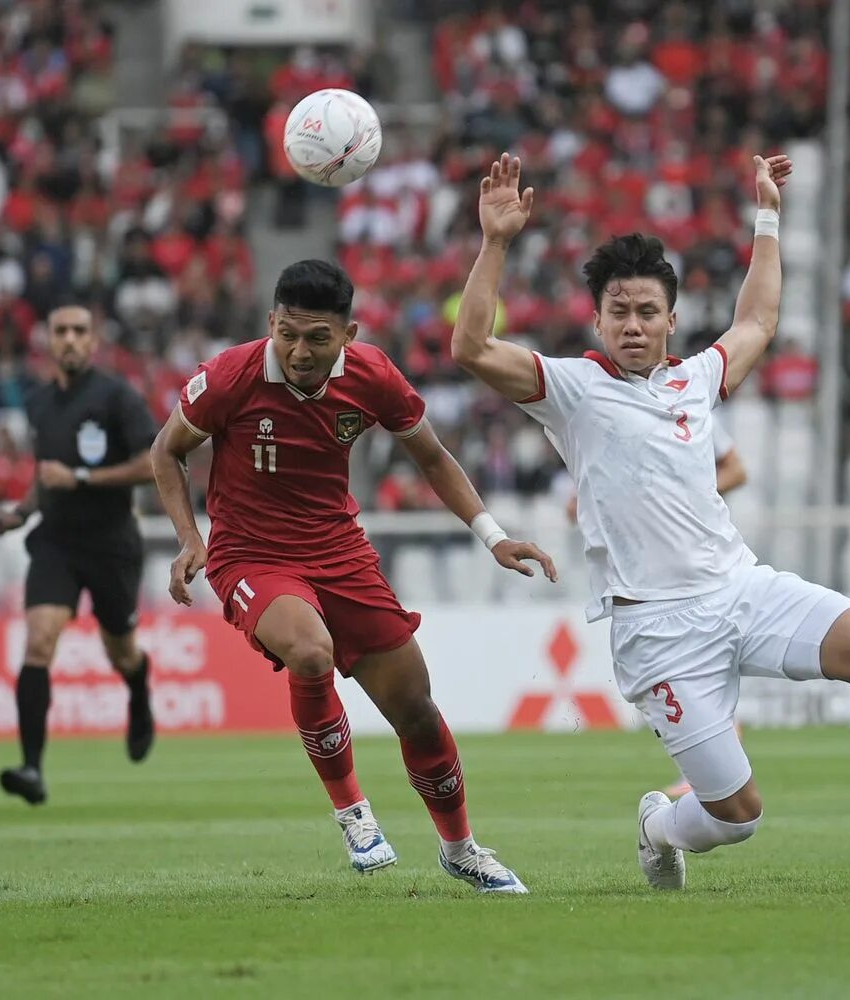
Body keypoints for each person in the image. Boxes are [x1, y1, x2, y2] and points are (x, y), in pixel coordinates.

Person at [451, 153, 850, 892]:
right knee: (737, 816)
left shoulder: (696, 379)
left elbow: (757, 319)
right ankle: (660, 825)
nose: (632, 325)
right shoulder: (573, 387)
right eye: (618, 312)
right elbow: (469, 348)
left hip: (741, 589)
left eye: (647, 312)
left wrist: (767, 217)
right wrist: (495, 242)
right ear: (596, 319)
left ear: (670, 320)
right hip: (658, 631)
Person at [151, 259, 556, 894]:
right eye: (287, 333)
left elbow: (431, 455)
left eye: (317, 337)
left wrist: (493, 536)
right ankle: (355, 814)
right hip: (251, 554)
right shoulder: (230, 375)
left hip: (341, 553)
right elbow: (166, 449)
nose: (299, 350)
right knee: (311, 653)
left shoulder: (372, 377)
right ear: (271, 324)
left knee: (417, 711)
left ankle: (461, 849)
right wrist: (188, 537)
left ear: (350, 335)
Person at [0, 305, 159, 805]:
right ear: (48, 339)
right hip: (57, 542)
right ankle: (31, 768)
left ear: (93, 341)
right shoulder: (39, 401)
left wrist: (83, 478)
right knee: (39, 641)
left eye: (79, 331)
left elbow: (152, 465)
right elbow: (47, 474)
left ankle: (138, 689)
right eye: (60, 330)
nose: (69, 339)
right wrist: (21, 512)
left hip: (111, 545)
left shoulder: (118, 397)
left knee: (121, 652)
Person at [565, 415, 747, 800]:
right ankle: (708, 774)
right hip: (650, 567)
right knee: (688, 671)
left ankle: (712, 776)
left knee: (707, 666)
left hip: (699, 559)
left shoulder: (690, 409)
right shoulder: (618, 417)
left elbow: (736, 470)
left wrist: (684, 497)